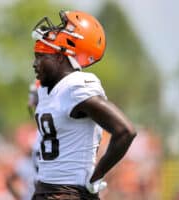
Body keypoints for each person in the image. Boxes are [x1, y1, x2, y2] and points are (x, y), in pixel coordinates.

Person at [30, 10, 137, 199]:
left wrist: (96, 176)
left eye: (41, 56)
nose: (34, 63)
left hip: (69, 193)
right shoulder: (47, 89)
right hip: (46, 191)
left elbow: (125, 131)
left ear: (60, 58)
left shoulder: (75, 86)